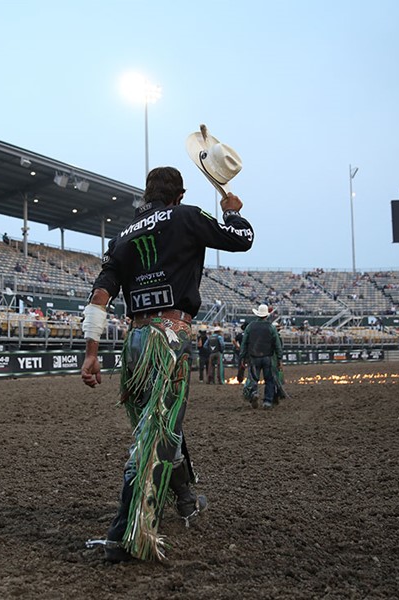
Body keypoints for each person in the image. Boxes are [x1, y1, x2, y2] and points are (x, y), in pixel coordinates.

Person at [80, 165, 253, 563]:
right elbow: (243, 240)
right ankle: (124, 533)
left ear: (147, 194)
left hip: (136, 343)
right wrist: (232, 210)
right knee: (157, 433)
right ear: (178, 195)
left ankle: (187, 500)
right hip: (170, 338)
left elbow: (99, 298)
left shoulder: (123, 234)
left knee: (160, 424)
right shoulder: (187, 215)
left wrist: (91, 353)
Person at [239, 304, 283, 409]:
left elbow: (244, 343)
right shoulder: (271, 327)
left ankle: (254, 393)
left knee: (253, 378)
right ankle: (267, 401)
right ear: (266, 315)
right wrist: (279, 359)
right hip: (268, 357)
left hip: (253, 357)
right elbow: (277, 344)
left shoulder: (250, 327)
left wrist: (242, 357)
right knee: (269, 380)